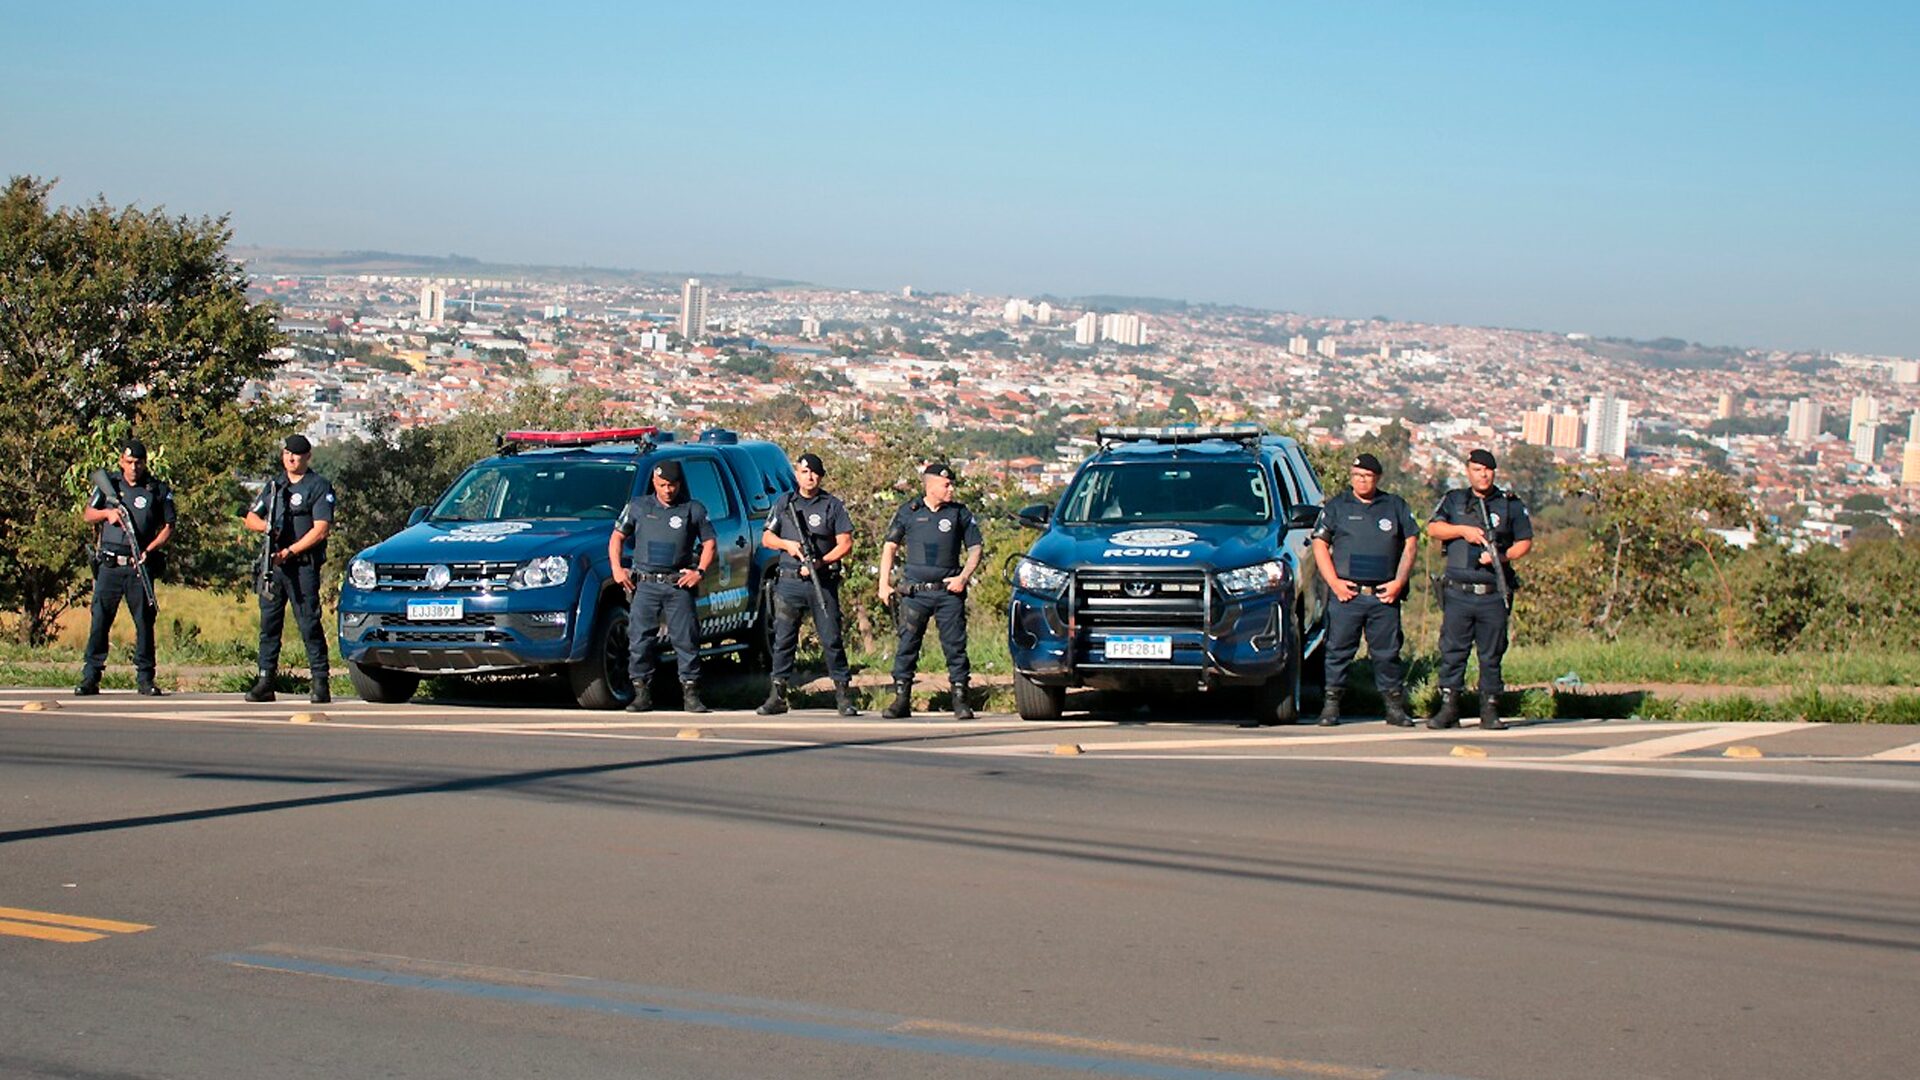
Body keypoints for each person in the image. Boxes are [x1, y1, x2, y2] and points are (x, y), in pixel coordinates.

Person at [1425, 448, 1533, 730]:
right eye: (1476, 469)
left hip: (1492, 593)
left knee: (1491, 654)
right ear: (1468, 471)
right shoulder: (1455, 500)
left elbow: (1524, 541)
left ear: (1494, 472)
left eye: (1487, 469)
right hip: (1458, 592)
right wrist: (1462, 531)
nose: (1482, 474)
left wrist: (1502, 557)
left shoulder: (1508, 504)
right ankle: (1449, 708)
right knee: (1452, 652)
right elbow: (1434, 529)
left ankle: (1490, 710)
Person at [1310, 452, 1419, 727]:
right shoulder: (1337, 506)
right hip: (1348, 595)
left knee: (1387, 654)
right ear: (1351, 477)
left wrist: (1399, 582)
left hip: (1384, 595)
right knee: (1338, 651)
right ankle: (1331, 706)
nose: (1362, 481)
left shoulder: (1393, 506)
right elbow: (1320, 544)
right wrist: (1333, 582)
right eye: (1357, 476)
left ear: (1377, 478)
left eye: (1368, 476)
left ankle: (1394, 708)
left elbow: (1411, 542)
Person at [609, 458, 717, 713]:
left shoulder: (693, 509)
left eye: (672, 485)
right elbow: (617, 537)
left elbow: (710, 543)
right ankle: (641, 694)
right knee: (639, 640)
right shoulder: (637, 506)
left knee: (686, 640)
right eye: (662, 484)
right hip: (645, 585)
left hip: (677, 585)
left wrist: (699, 572)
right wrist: (616, 568)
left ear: (680, 484)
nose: (668, 490)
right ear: (654, 483)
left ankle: (691, 695)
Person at [877, 462, 983, 720]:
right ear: (931, 485)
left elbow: (975, 548)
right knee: (907, 646)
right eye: (946, 484)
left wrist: (964, 577)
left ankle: (959, 699)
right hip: (915, 593)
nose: (951, 489)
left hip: (949, 592)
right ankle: (901, 699)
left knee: (955, 647)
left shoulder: (959, 513)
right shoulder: (909, 512)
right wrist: (884, 583)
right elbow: (890, 546)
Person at [757, 452, 858, 717]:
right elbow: (767, 538)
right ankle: (778, 695)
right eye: (804, 472)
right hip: (789, 583)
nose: (809, 476)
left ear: (820, 476)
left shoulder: (832, 505)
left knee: (832, 638)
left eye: (814, 472)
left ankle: (843, 695)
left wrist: (821, 562)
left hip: (820, 582)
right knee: (783, 641)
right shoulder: (784, 503)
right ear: (797, 474)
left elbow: (845, 544)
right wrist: (787, 544)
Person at [76, 438, 176, 696]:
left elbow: (168, 525)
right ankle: (91, 675)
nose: (134, 467)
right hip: (109, 565)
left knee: (144, 622)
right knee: (100, 621)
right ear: (122, 461)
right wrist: (107, 514)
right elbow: (88, 514)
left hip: (138, 564)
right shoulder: (110, 486)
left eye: (139, 462)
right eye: (129, 462)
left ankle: (145, 678)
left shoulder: (156, 489)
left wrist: (150, 549)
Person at [243, 434, 337, 704]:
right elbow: (251, 518)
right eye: (287, 453)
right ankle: (265, 680)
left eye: (296, 454)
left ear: (307, 456)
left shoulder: (318, 486)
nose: (291, 458)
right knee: (269, 625)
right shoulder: (275, 486)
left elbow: (321, 530)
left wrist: (291, 551)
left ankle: (320, 682)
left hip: (301, 566)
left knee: (308, 623)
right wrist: (267, 528)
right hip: (274, 567)